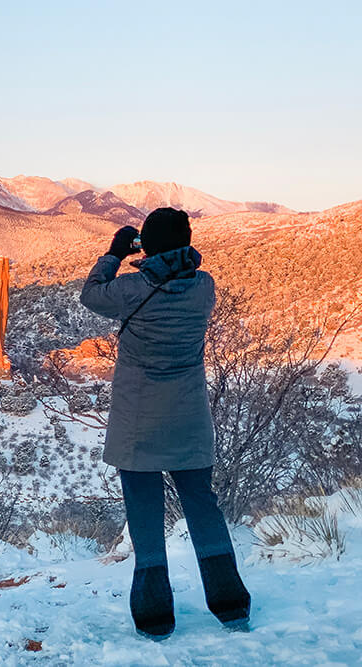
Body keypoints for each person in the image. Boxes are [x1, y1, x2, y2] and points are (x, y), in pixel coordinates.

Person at [79, 207, 251, 640]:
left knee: (145, 513)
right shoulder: (203, 288)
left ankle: (155, 617)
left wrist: (115, 253)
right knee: (202, 507)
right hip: (190, 418)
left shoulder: (133, 290)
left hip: (139, 421)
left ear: (148, 245)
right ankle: (231, 606)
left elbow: (91, 294)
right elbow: (179, 270)